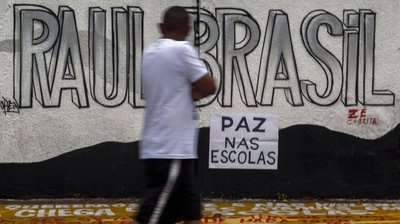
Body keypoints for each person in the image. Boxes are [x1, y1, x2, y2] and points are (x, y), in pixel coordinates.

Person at [135, 6, 216, 224]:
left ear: (161, 27)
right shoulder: (181, 50)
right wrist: (191, 92)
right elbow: (209, 86)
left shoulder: (149, 53)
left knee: (191, 213)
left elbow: (168, 88)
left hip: (165, 147)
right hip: (171, 150)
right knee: (151, 216)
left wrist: (183, 92)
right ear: (188, 29)